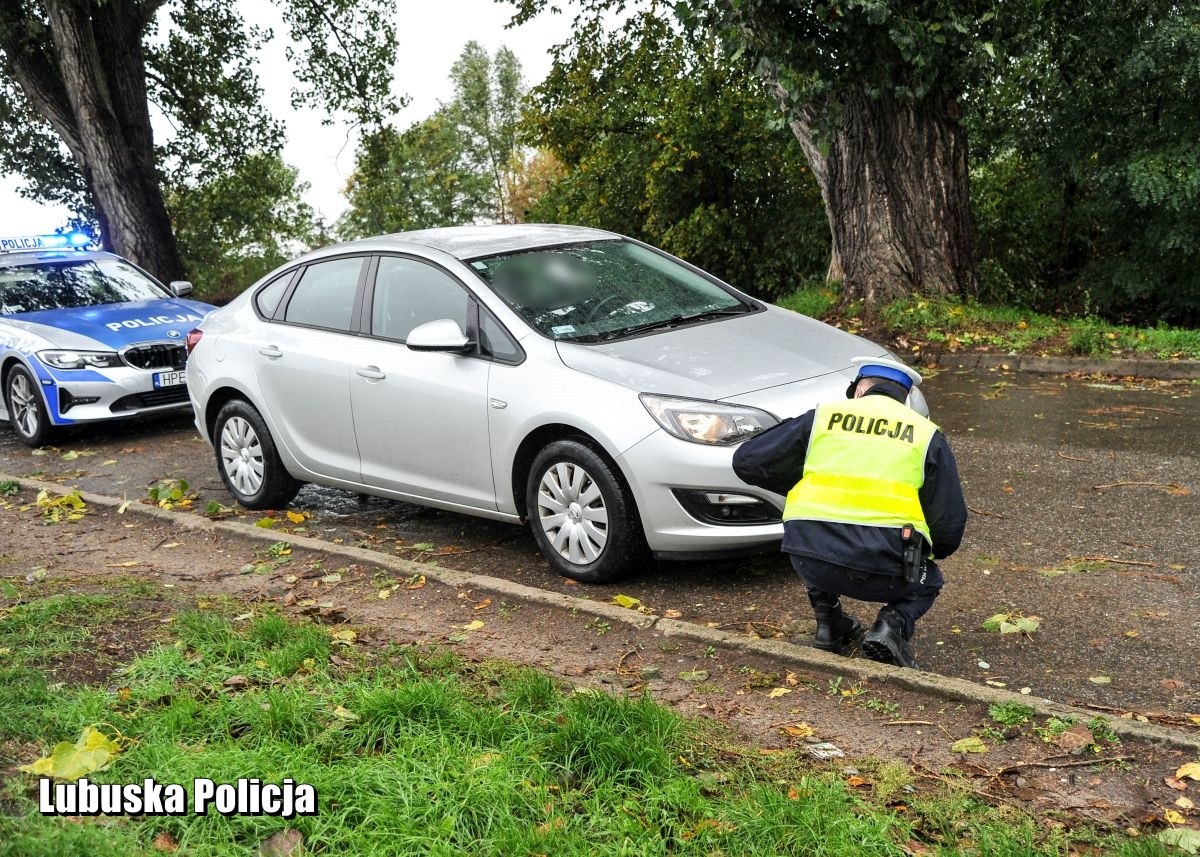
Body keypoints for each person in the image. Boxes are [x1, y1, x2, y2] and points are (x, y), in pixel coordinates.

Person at [732, 357, 967, 669]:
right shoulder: (925, 435)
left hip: (810, 560)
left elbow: (746, 461)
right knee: (931, 580)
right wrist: (923, 552)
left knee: (817, 540)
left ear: (857, 391)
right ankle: (890, 625)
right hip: (887, 572)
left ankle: (829, 625)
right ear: (906, 399)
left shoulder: (823, 418)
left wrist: (801, 484)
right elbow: (948, 529)